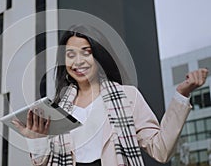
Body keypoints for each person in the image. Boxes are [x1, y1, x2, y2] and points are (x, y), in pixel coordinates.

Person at [12, 25, 209, 166]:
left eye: (86, 52)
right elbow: (42, 163)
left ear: (98, 56)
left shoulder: (127, 97)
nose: (78, 61)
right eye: (70, 55)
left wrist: (182, 95)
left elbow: (161, 150)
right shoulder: (57, 107)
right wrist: (36, 139)